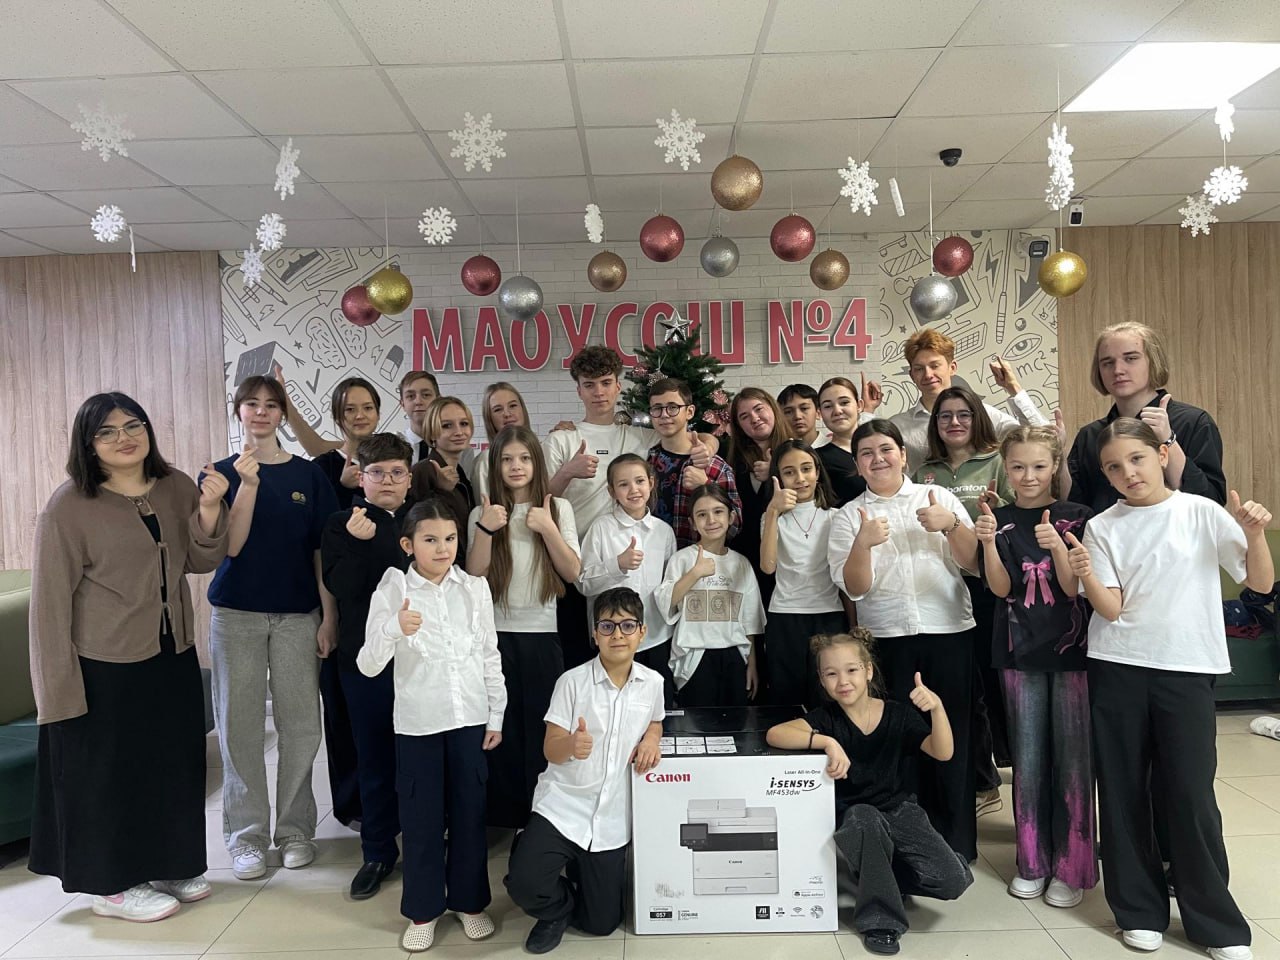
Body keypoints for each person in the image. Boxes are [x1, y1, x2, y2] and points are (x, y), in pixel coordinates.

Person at [1070, 418, 1271, 960]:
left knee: (1190, 792)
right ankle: (1137, 910)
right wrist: (1083, 572)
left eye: (1136, 459)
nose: (1127, 473)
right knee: (1122, 791)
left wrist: (1254, 533)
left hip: (1187, 667)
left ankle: (1214, 921)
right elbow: (1112, 607)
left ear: (1162, 455)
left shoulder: (1201, 512)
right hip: (1117, 666)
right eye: (1113, 467)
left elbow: (1259, 582)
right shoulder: (1102, 526)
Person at [29, 393, 229, 922]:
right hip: (103, 662)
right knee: (111, 775)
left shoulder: (175, 485)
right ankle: (112, 886)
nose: (124, 438)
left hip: (171, 651)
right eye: (108, 432)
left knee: (170, 764)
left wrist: (210, 510)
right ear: (88, 444)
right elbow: (49, 604)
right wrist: (56, 689)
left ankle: (170, 864)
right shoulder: (68, 506)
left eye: (133, 425)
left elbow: (201, 559)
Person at [827, 420, 980, 862]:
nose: (878, 459)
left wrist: (952, 524)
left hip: (948, 631)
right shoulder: (848, 515)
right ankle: (908, 846)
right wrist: (862, 544)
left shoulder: (938, 497)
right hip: (887, 639)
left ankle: (957, 843)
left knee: (954, 735)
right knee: (898, 742)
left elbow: (973, 563)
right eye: (867, 453)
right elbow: (855, 589)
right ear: (857, 465)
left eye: (885, 449)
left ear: (903, 455)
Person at [766, 630, 973, 957]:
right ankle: (881, 922)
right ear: (822, 681)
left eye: (851, 670)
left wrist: (936, 708)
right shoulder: (826, 719)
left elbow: (943, 752)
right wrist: (826, 742)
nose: (842, 681)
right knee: (865, 818)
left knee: (953, 880)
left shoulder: (898, 714)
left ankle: (882, 878)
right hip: (856, 817)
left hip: (899, 810)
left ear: (868, 671)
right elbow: (776, 734)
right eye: (831, 674)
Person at [206, 375, 338, 880]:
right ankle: (247, 838)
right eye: (251, 403)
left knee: (301, 726)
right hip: (236, 614)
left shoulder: (309, 476)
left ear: (283, 413)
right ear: (238, 410)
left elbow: (322, 553)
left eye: (271, 404)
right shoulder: (220, 474)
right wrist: (247, 483)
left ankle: (296, 831)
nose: (261, 412)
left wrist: (329, 616)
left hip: (297, 616)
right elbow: (229, 546)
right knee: (238, 726)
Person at [360, 499, 506, 952]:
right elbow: (367, 664)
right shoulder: (394, 588)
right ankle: (423, 910)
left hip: (469, 719)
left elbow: (489, 654)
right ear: (408, 545)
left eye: (450, 538)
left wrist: (497, 714)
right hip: (418, 723)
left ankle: (469, 902)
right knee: (420, 818)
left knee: (469, 813)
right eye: (430, 540)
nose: (443, 549)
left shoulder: (473, 588)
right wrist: (394, 628)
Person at [974, 425, 1096, 908]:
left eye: (1039, 466)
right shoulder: (999, 518)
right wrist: (987, 542)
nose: (1028, 476)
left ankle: (1071, 867)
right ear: (1006, 467)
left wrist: (1058, 545)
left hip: (1072, 652)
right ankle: (1031, 862)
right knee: (1027, 759)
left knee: (1073, 761)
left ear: (1055, 466)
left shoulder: (1079, 516)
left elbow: (1073, 588)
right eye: (1018, 467)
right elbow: (1001, 589)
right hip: (1016, 651)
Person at [505, 587, 664, 954]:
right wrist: (571, 745)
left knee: (601, 924)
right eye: (607, 626)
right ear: (595, 634)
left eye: (627, 625)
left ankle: (578, 874)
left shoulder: (653, 683)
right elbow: (550, 748)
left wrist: (652, 738)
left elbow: (655, 720)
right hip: (564, 806)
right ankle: (555, 909)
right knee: (525, 885)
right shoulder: (572, 682)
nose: (618, 635)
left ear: (642, 632)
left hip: (610, 817)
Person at [543, 347, 714, 667]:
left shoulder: (639, 436)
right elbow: (542, 502)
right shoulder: (561, 440)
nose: (599, 392)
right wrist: (568, 472)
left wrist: (709, 447)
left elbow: (688, 434)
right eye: (589, 385)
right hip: (572, 561)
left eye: (606, 383)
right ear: (579, 390)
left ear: (618, 386)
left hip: (629, 557)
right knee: (585, 656)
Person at [468, 425, 581, 828]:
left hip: (542, 633)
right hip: (493, 636)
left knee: (541, 726)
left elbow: (572, 572)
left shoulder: (557, 509)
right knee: (500, 726)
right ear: (494, 465)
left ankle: (540, 816)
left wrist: (547, 527)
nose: (516, 466)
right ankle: (503, 817)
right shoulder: (482, 511)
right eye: (507, 459)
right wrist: (486, 528)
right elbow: (474, 574)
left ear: (537, 462)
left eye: (525, 458)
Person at [320, 433, 415, 901]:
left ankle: (423, 839)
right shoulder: (343, 523)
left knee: (419, 756)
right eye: (378, 472)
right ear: (361, 477)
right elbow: (341, 585)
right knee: (374, 757)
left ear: (410, 478)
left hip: (420, 660)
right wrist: (360, 544)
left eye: (397, 472)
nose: (388, 481)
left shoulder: (424, 520)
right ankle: (377, 851)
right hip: (365, 661)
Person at [914, 385, 1016, 817]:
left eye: (963, 415)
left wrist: (998, 508)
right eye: (945, 416)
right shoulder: (924, 472)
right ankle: (981, 781)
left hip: (990, 586)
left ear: (978, 418)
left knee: (996, 686)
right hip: (943, 590)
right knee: (963, 689)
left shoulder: (997, 461)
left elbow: (1019, 514)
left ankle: (1011, 772)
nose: (954, 423)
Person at [308, 376, 383, 833]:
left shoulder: (389, 460)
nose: (359, 415)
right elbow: (320, 549)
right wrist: (329, 617)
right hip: (344, 609)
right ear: (338, 415)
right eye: (350, 408)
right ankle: (353, 806)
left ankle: (390, 801)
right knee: (343, 711)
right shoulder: (322, 469)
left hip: (389, 613)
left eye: (367, 407)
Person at [1067, 321, 1225, 513]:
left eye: (1131, 358)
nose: (1118, 370)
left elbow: (1211, 504)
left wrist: (1169, 441)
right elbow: (1074, 509)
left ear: (1153, 362)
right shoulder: (1090, 435)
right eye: (1107, 363)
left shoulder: (1193, 422)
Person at [577, 454, 678, 706]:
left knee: (657, 707)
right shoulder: (601, 528)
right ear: (612, 491)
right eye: (623, 484)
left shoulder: (664, 532)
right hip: (613, 639)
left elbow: (670, 586)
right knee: (612, 705)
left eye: (640, 481)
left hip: (655, 637)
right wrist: (617, 565)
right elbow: (583, 582)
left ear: (651, 483)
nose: (633, 489)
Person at [657, 484, 765, 707]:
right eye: (702, 515)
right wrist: (695, 573)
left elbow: (750, 620)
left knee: (735, 719)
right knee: (697, 720)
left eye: (718, 512)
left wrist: (752, 664)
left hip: (734, 655)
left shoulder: (741, 563)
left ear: (731, 517)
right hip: (695, 656)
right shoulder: (682, 559)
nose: (711, 520)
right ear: (692, 522)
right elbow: (667, 602)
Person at [759, 439, 846, 708]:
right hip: (785, 615)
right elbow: (768, 566)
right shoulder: (772, 517)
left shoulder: (837, 516)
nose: (800, 478)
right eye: (789, 472)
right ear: (778, 477)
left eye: (806, 469)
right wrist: (773, 511)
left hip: (829, 614)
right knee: (787, 697)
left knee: (830, 696)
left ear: (817, 472)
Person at [890, 329, 1048, 474]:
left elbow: (1043, 440)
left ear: (952, 367)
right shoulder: (898, 426)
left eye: (935, 366)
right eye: (919, 369)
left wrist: (1013, 387)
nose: (928, 374)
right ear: (911, 375)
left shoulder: (982, 414)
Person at [646, 377, 741, 548]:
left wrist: (706, 486)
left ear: (689, 412)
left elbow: (735, 526)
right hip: (653, 557)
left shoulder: (716, 467)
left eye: (673, 407)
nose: (664, 415)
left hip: (698, 558)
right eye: (657, 408)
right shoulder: (646, 461)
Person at [726, 388, 791, 609]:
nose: (754, 418)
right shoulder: (733, 458)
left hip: (787, 560)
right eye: (744, 416)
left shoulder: (795, 450)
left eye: (758, 409)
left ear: (773, 409)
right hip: (745, 560)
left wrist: (776, 470)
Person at [816, 376, 873, 507]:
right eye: (828, 406)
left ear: (859, 405)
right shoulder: (816, 459)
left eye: (844, 402)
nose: (837, 411)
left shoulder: (881, 448)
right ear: (820, 413)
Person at [473, 381, 532, 495]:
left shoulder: (542, 450)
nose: (507, 414)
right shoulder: (486, 460)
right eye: (498, 409)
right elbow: (483, 504)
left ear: (523, 409)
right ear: (489, 418)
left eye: (513, 406)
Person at [398, 370, 440, 464]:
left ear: (438, 400)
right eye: (410, 396)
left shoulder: (455, 444)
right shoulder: (390, 445)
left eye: (426, 395)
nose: (418, 402)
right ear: (402, 404)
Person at [778, 383, 829, 448]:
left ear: (818, 413)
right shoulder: (779, 451)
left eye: (804, 408)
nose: (797, 416)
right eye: (788, 412)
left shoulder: (835, 448)